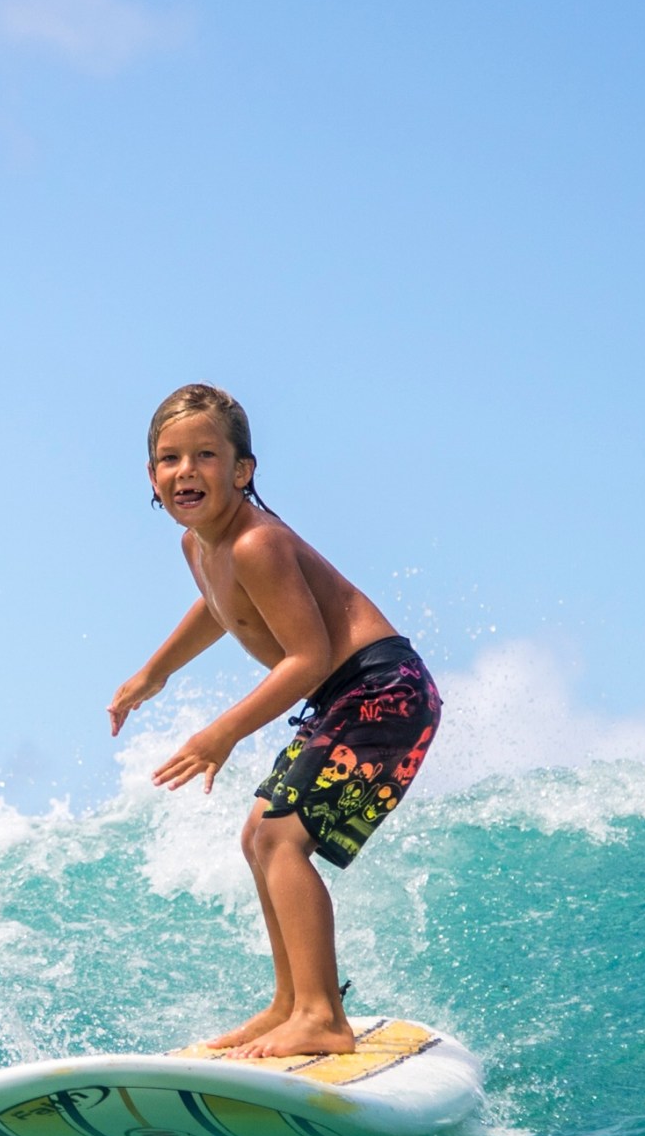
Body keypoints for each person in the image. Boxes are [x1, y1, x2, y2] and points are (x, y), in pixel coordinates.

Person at [107, 384, 441, 1058]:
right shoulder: (200, 546)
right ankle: (292, 1001)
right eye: (169, 459)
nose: (185, 471)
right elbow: (218, 605)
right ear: (150, 475)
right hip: (349, 696)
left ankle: (321, 1015)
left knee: (283, 838)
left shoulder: (258, 542)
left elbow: (310, 657)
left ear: (242, 470)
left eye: (206, 455)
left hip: (382, 689)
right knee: (260, 835)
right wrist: (157, 671)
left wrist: (220, 733)